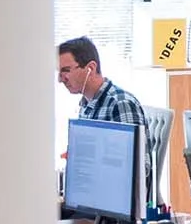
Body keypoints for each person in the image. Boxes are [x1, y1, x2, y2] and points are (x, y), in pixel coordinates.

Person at [58, 36, 153, 204]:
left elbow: (136, 172)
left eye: (66, 70)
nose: (60, 79)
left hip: (112, 206)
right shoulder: (86, 105)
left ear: (91, 68)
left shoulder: (120, 104)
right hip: (92, 198)